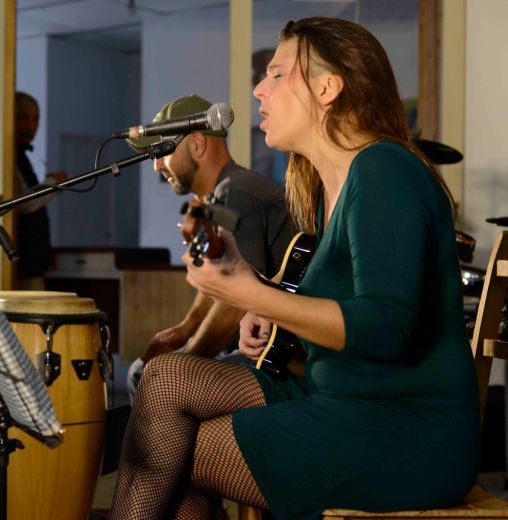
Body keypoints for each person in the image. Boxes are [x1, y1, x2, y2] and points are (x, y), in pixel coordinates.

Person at [111, 17, 480, 520]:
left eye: (278, 74)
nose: (260, 88)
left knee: (177, 454)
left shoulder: (384, 169)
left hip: (405, 428)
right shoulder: (333, 185)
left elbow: (388, 327)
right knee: (166, 378)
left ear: (329, 88)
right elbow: (348, 310)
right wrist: (271, 311)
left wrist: (252, 296)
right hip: (342, 393)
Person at [124, 94, 296, 404]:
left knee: (149, 376)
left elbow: (234, 303)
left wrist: (184, 360)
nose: (157, 165)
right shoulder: (221, 193)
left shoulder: (237, 190)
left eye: (162, 151)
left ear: (198, 145)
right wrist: (184, 329)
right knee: (143, 369)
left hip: (278, 358)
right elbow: (222, 284)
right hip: (252, 345)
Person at [14, 91, 66, 290]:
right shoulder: (9, 155)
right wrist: (53, 182)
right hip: (21, 265)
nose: (30, 127)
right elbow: (23, 203)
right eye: (23, 118)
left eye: (35, 120)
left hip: (33, 264)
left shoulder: (22, 156)